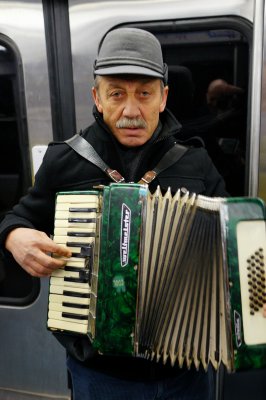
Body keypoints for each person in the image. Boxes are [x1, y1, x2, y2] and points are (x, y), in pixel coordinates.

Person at [0, 28, 230, 400]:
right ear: (97, 97)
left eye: (144, 93)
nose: (131, 110)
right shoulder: (66, 161)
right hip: (101, 376)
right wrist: (14, 237)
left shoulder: (196, 163)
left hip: (186, 370)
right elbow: (17, 218)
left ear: (163, 97)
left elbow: (233, 240)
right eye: (117, 93)